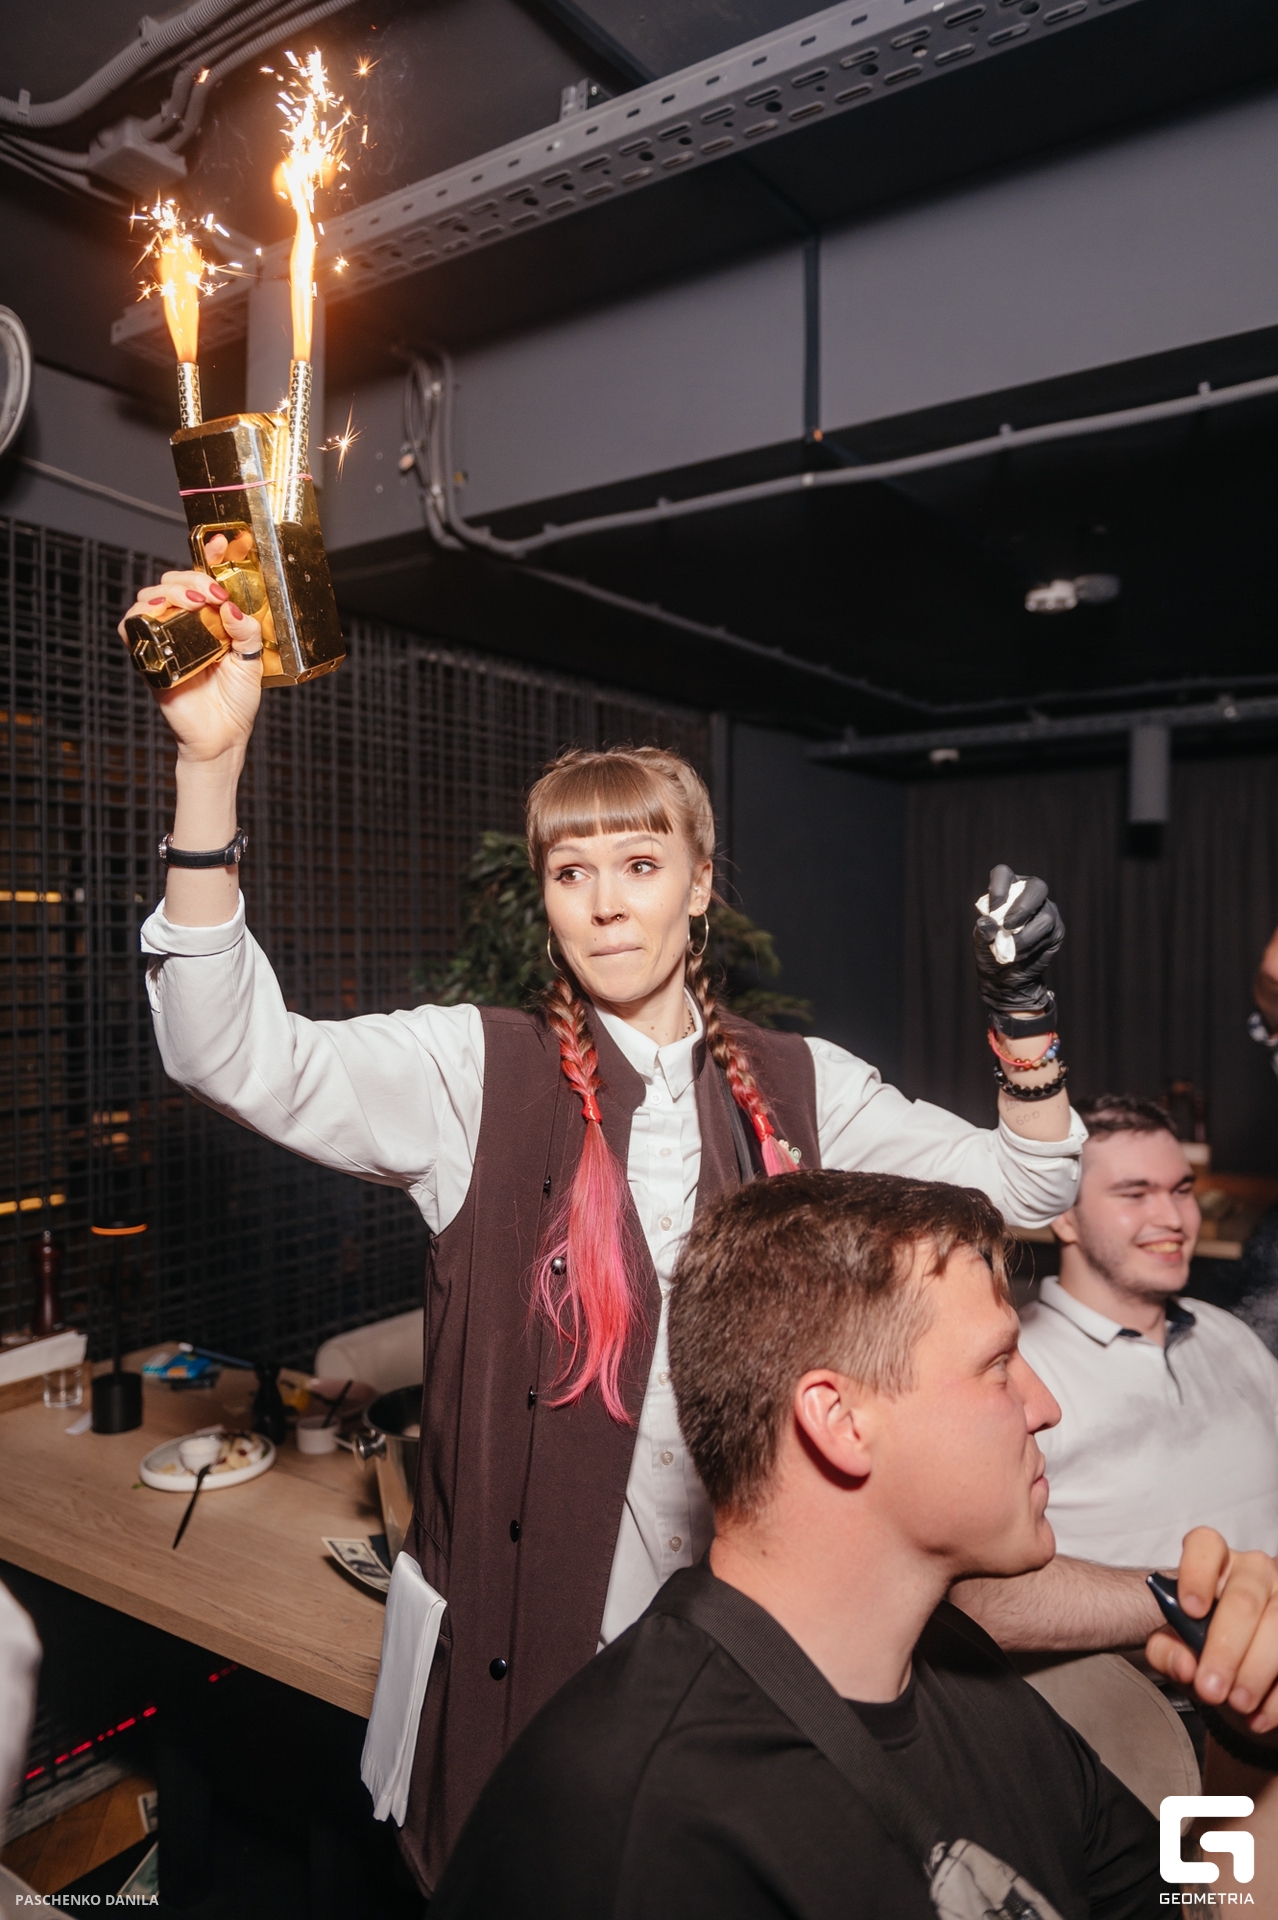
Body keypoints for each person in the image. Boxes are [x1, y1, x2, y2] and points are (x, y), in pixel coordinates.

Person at [122, 557, 1084, 1890]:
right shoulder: (475, 1073)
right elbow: (224, 1052)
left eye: (640, 863)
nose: (606, 900)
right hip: (535, 1664)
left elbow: (1028, 1191)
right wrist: (209, 770)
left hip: (755, 1649)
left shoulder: (802, 1086)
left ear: (700, 884)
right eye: (571, 871)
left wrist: (1025, 1031)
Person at [432, 1169, 1166, 1918]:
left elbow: (1189, 1898)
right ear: (839, 1421)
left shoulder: (971, 1681)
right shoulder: (632, 1817)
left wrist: (1241, 1735)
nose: (1045, 1407)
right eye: (999, 1365)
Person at [1017, 1092, 1278, 1568]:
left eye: (1181, 1190)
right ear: (1063, 1216)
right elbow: (984, 1586)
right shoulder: (1019, 1370)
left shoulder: (1230, 1334)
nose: (1174, 1220)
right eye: (1134, 1194)